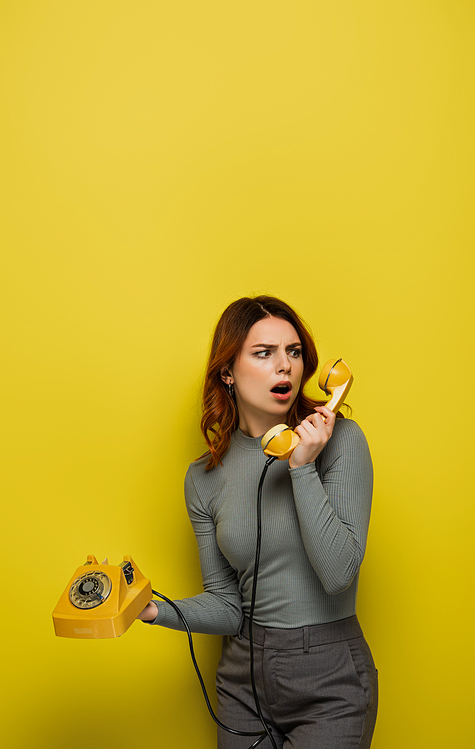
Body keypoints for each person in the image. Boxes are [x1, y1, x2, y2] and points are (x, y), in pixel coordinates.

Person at [138, 295, 378, 748]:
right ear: (228, 372)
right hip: (242, 682)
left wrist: (302, 466)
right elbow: (229, 606)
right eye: (263, 353)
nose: (284, 366)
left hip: (329, 682)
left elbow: (338, 574)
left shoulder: (341, 441)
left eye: (293, 352)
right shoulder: (203, 478)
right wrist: (154, 611)